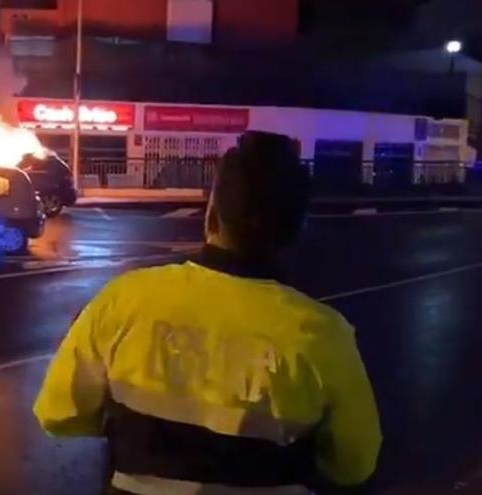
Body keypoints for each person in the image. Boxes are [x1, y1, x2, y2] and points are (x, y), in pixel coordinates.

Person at [34, 131, 382, 495]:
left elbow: (59, 414)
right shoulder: (323, 334)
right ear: (296, 229)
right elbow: (355, 464)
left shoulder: (123, 300)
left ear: (211, 214)